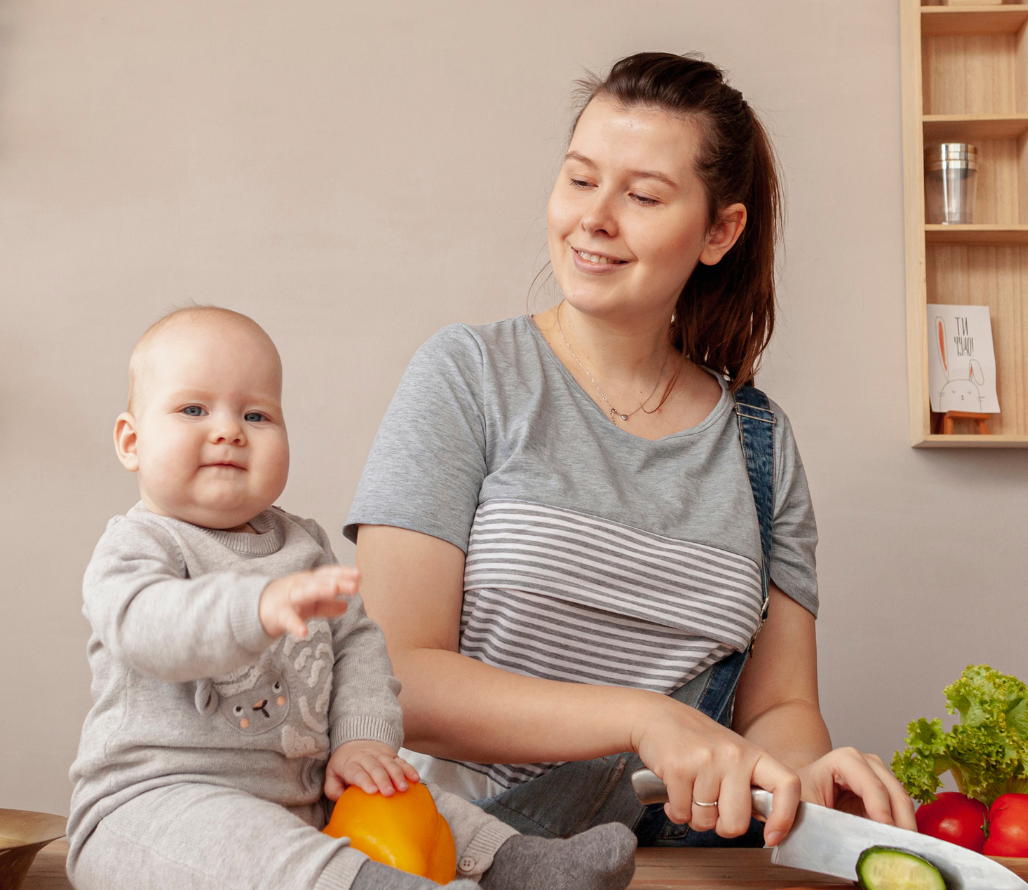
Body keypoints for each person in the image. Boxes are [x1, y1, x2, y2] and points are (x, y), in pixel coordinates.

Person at [345, 52, 917, 847]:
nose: (594, 218)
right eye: (580, 180)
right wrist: (643, 719)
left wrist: (805, 778)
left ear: (720, 231)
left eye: (643, 195)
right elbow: (394, 677)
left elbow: (779, 710)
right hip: (464, 865)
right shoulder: (470, 376)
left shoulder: (761, 445)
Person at [65, 307, 637, 890]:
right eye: (193, 410)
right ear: (131, 441)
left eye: (257, 416)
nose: (228, 431)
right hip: (155, 811)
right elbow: (151, 628)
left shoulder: (302, 544)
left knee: (409, 796)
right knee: (256, 857)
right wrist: (256, 606)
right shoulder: (137, 547)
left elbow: (358, 645)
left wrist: (365, 740)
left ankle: (525, 865)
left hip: (304, 794)